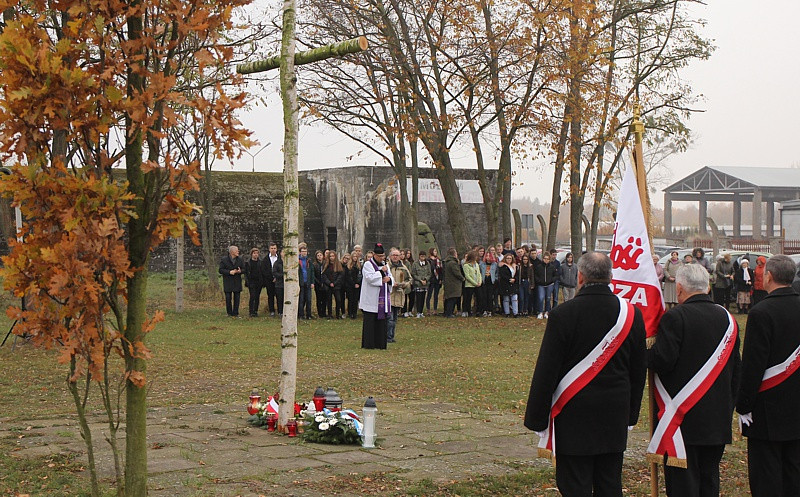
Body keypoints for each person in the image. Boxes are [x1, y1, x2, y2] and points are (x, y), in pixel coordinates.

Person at [524, 252, 647, 497]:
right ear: (611, 277)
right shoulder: (632, 314)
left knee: (574, 485)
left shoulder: (563, 314)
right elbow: (638, 370)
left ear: (580, 277)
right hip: (614, 411)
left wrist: (537, 418)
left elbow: (547, 368)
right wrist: (631, 414)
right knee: (609, 484)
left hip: (573, 412)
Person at [648, 263, 740, 496]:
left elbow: (663, 360)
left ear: (678, 289)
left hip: (682, 419)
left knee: (683, 485)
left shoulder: (675, 317)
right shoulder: (728, 319)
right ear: (708, 287)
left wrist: (645, 351)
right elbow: (736, 370)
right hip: (717, 416)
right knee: (709, 479)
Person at [737, 255, 800, 497]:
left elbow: (753, 364)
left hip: (768, 408)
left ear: (769, 276)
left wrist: (743, 405)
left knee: (767, 476)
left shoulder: (761, 312)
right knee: (794, 471)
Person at [360, 243, 393, 349]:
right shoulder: (368, 265)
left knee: (381, 322)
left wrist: (389, 280)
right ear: (374, 255)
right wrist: (380, 273)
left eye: (383, 256)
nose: (381, 258)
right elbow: (369, 278)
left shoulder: (385, 265)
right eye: (379, 256)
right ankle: (369, 344)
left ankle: (380, 343)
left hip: (382, 299)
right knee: (370, 322)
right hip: (371, 298)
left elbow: (390, 276)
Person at [387, 248, 412, 342]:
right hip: (389, 295)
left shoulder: (403, 267)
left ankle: (391, 336)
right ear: (390, 256)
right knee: (389, 319)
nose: (395, 257)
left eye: (397, 255)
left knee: (394, 319)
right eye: (393, 255)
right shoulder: (387, 267)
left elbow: (409, 279)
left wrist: (404, 285)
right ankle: (388, 337)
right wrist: (392, 284)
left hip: (399, 295)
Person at [219, 245, 244, 317]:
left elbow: (244, 269)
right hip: (228, 281)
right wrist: (229, 272)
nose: (238, 251)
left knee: (237, 297)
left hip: (237, 281)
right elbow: (220, 270)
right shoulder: (224, 260)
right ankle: (229, 313)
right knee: (228, 297)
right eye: (236, 250)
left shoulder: (240, 259)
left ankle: (235, 313)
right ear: (232, 252)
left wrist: (240, 271)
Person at [321, 251, 345, 319]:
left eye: (333, 256)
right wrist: (329, 283)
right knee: (329, 300)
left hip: (336, 285)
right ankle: (329, 314)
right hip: (328, 285)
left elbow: (340, 275)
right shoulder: (325, 264)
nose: (332, 258)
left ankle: (337, 314)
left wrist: (335, 283)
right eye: (330, 256)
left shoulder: (338, 264)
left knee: (338, 299)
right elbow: (324, 275)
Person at [533, 251, 557, 319]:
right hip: (541, 285)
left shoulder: (552, 267)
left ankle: (547, 312)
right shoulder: (539, 267)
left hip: (549, 285)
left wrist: (552, 280)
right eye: (545, 258)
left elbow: (555, 275)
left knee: (548, 298)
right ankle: (540, 312)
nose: (546, 260)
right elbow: (536, 275)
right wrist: (539, 281)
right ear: (543, 259)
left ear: (549, 259)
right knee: (541, 298)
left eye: (547, 259)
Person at [442, 247, 464, 318]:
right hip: (454, 284)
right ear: (454, 254)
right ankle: (449, 313)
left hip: (448, 283)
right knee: (452, 299)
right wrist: (462, 278)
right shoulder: (453, 263)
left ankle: (447, 312)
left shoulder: (447, 262)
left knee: (448, 299)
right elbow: (457, 273)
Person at [497, 252, 520, 317]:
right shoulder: (502, 266)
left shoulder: (515, 266)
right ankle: (507, 313)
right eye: (507, 258)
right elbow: (502, 275)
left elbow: (517, 275)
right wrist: (509, 279)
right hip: (505, 284)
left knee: (514, 298)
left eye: (510, 258)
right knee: (506, 299)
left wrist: (514, 279)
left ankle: (515, 313)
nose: (509, 259)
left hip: (514, 284)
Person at [264, 242, 283, 317]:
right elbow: (265, 270)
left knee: (279, 296)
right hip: (270, 280)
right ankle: (272, 310)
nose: (273, 250)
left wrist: (277, 277)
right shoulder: (265, 259)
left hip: (279, 280)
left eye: (274, 248)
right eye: (272, 248)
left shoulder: (279, 258)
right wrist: (272, 278)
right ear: (269, 249)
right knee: (270, 296)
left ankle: (280, 311)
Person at [244, 247, 264, 317]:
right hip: (251, 282)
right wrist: (247, 281)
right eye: (254, 253)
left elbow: (262, 272)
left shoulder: (261, 262)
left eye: (257, 253)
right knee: (252, 296)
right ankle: (251, 311)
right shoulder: (248, 263)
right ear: (251, 254)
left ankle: (255, 311)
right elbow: (246, 273)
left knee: (257, 297)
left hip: (259, 282)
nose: (255, 255)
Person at [410, 251, 431, 318]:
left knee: (423, 298)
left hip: (425, 284)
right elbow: (413, 273)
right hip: (418, 283)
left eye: (424, 256)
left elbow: (429, 273)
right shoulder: (415, 264)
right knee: (418, 298)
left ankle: (421, 311)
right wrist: (420, 280)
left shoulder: (427, 264)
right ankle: (418, 312)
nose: (423, 258)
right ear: (419, 256)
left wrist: (425, 279)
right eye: (421, 256)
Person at [297, 243, 314, 320]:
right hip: (301, 283)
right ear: (300, 252)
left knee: (309, 300)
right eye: (303, 251)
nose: (304, 253)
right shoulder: (298, 261)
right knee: (301, 300)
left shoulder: (309, 261)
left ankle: (309, 315)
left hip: (308, 282)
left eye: (305, 251)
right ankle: (301, 315)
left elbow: (312, 272)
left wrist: (312, 282)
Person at [462, 250, 482, 317]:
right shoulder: (466, 265)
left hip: (477, 284)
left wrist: (479, 281)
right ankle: (468, 311)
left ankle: (478, 311)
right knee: (468, 298)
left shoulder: (476, 264)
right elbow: (467, 276)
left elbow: (479, 273)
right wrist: (474, 283)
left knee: (479, 298)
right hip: (470, 285)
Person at [344, 251, 362, 319]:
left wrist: (358, 283)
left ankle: (354, 313)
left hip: (357, 285)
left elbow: (360, 275)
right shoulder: (348, 266)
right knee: (350, 299)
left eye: (356, 256)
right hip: (350, 285)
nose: (355, 258)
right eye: (354, 256)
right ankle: (350, 312)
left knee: (355, 300)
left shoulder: (359, 266)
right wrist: (353, 284)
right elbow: (348, 277)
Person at [481, 246, 498, 317]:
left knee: (490, 296)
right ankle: (484, 310)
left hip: (491, 282)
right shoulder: (482, 264)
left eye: (489, 256)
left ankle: (490, 310)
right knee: (484, 296)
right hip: (484, 281)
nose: (488, 257)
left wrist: (495, 280)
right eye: (486, 256)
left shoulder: (495, 264)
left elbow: (497, 273)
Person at [426, 247, 443, 315]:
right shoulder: (428, 260)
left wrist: (440, 279)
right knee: (429, 295)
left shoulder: (438, 260)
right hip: (431, 279)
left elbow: (441, 270)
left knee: (436, 295)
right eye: (434, 251)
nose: (435, 252)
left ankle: (435, 309)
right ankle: (428, 309)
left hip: (437, 279)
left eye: (436, 251)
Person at [312, 250, 327, 318]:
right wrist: (318, 282)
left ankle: (324, 312)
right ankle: (320, 312)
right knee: (319, 299)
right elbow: (313, 275)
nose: (319, 257)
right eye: (318, 255)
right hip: (318, 284)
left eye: (320, 255)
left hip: (325, 283)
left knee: (324, 299)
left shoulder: (325, 264)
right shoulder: (314, 265)